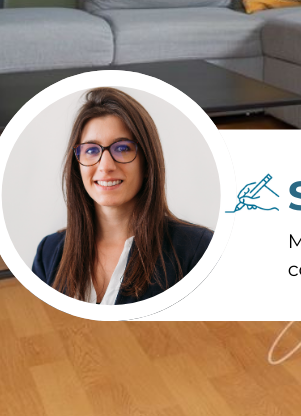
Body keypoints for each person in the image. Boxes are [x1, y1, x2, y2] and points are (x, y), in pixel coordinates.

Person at [31, 87, 212, 305]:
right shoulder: (49, 252)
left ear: (147, 162)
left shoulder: (198, 250)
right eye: (91, 150)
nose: (105, 166)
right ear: (76, 165)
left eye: (123, 148)